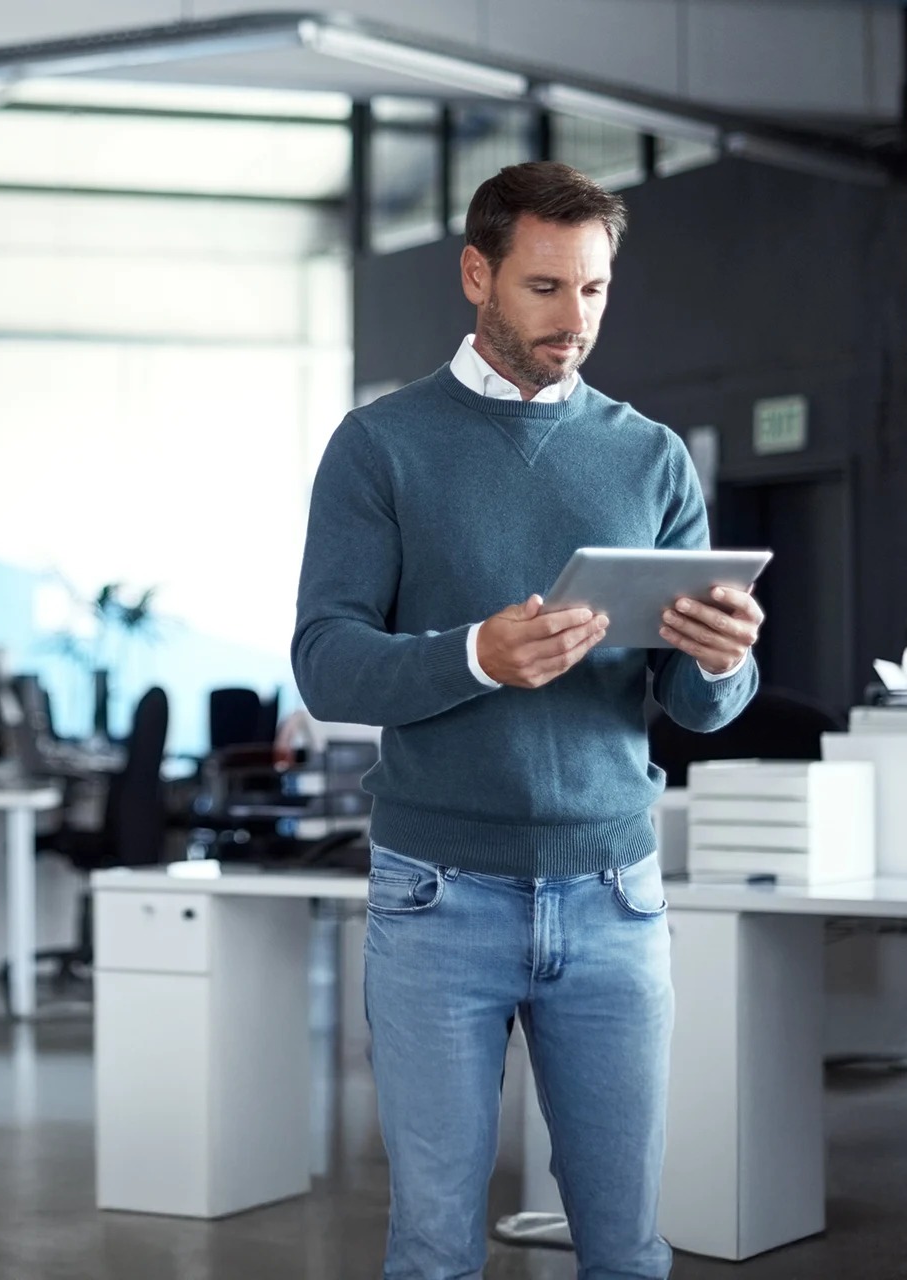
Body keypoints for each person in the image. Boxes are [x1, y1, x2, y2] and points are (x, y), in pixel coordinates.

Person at [291, 161, 764, 1279]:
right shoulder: (381, 445)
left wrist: (724, 659)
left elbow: (695, 705)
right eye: (546, 287)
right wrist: (475, 654)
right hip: (438, 892)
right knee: (436, 1244)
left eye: (595, 290)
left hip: (614, 893)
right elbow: (326, 664)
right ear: (476, 274)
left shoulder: (649, 455)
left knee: (628, 1246)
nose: (575, 319)